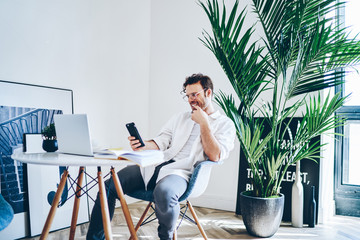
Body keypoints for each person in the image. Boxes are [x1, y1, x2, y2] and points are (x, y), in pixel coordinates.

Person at [86, 73, 236, 240]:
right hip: (157, 164)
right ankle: (94, 238)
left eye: (195, 94)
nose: (191, 100)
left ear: (208, 93)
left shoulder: (225, 124)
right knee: (108, 186)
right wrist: (143, 144)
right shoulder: (181, 118)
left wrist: (204, 123)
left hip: (183, 172)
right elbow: (162, 140)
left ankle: (166, 237)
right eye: (187, 96)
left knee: (164, 192)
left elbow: (215, 155)